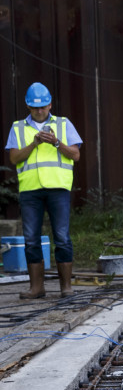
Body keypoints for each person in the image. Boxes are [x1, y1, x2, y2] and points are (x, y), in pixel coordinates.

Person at [6, 82, 82, 299]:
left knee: (62, 237)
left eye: (43, 106)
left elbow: (75, 155)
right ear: (28, 107)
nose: (39, 111)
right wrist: (34, 144)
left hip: (58, 188)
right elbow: (13, 158)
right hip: (30, 191)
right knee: (31, 239)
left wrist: (57, 142)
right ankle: (37, 288)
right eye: (34, 107)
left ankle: (66, 288)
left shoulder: (64, 124)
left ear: (50, 105)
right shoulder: (18, 127)